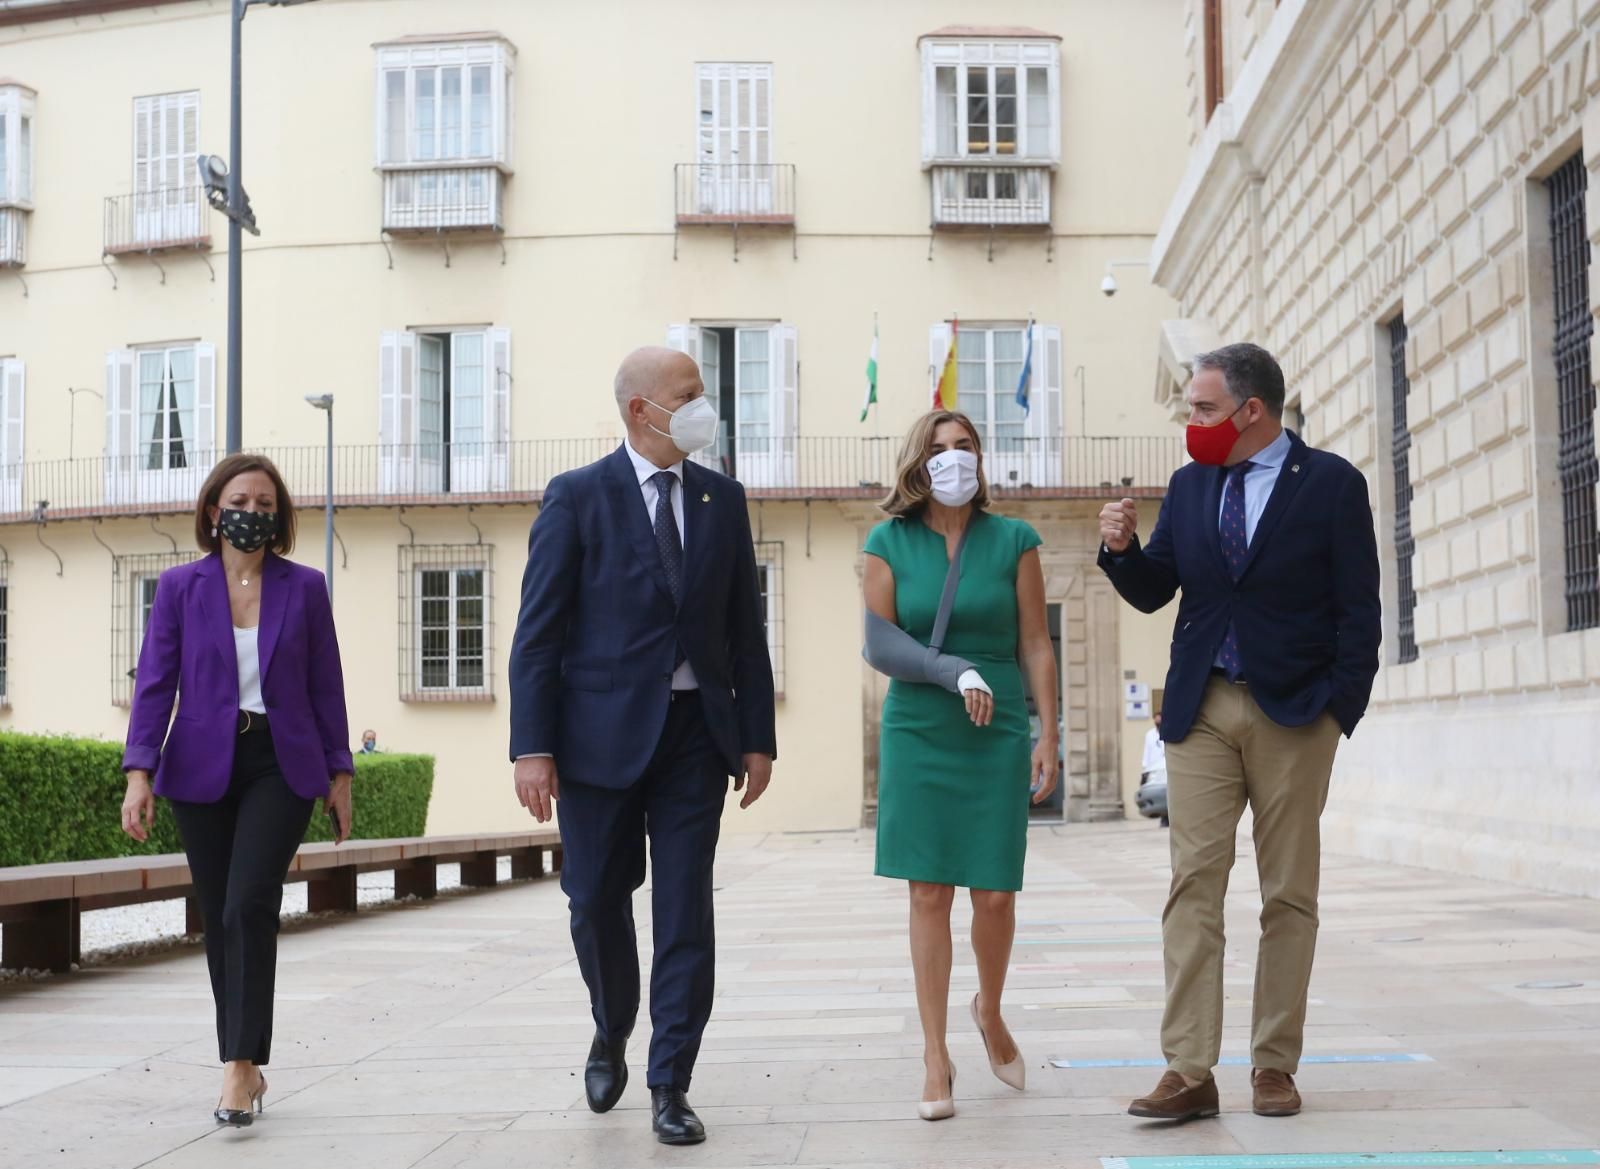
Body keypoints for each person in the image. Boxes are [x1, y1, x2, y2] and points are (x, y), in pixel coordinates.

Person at [1097, 343, 1380, 1122]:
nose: (1192, 421)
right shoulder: (1190, 486)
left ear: (1252, 411)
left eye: (1203, 408)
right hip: (1202, 708)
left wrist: (1338, 709)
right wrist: (1120, 551)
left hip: (1296, 711)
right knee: (1194, 886)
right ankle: (1188, 1069)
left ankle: (1273, 1064)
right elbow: (1159, 588)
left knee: (1288, 893)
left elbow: (1359, 608)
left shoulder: (1329, 484)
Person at [508, 347, 777, 1147]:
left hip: (697, 736)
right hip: (595, 741)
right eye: (688, 394)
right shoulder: (577, 498)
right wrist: (533, 746)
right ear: (641, 411)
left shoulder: (722, 499)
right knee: (594, 898)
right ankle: (610, 1023)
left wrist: (756, 736)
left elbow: (744, 630)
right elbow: (538, 635)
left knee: (685, 905)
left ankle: (671, 1080)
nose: (704, 405)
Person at [119, 452, 353, 1128]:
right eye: (241, 501)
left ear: (278, 516)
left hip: (280, 761)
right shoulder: (178, 588)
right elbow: (155, 684)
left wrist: (340, 773)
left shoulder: (304, 587)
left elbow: (325, 685)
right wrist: (140, 773)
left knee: (249, 902)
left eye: (265, 504)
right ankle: (245, 1063)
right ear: (213, 509)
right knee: (221, 913)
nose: (253, 512)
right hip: (199, 767)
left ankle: (236, 1066)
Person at [862, 410, 1059, 1121]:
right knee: (928, 894)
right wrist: (953, 672)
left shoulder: (1015, 540)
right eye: (940, 449)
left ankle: (991, 1008)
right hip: (920, 726)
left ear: (981, 457)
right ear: (920, 462)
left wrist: (1048, 733)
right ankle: (935, 1054)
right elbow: (881, 645)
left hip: (998, 725)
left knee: (997, 894)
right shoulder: (889, 540)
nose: (953, 459)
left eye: (965, 447)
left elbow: (1037, 641)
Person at [1142, 712, 1168, 828]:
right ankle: (1163, 818)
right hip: (1154, 768)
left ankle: (1167, 818)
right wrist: (1145, 767)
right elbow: (1147, 752)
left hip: (1164, 768)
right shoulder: (1150, 735)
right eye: (1156, 719)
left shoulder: (1166, 731)